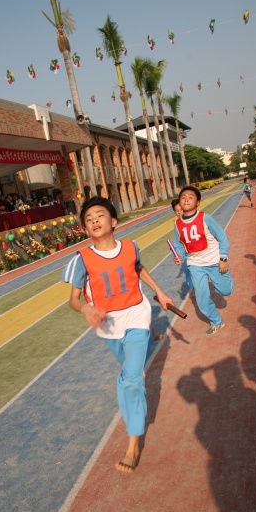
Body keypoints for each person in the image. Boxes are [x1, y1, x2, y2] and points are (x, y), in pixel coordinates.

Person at [62, 196, 174, 473]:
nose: (94, 221)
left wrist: (159, 292)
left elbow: (138, 268)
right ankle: (145, 343)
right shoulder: (81, 260)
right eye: (89, 220)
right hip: (108, 325)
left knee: (134, 377)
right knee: (127, 374)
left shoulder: (130, 247)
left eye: (99, 215)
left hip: (136, 313)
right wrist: (86, 308)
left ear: (113, 221)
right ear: (86, 229)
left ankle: (133, 444)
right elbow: (73, 300)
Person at [172, 186, 234, 334]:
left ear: (198, 202)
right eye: (183, 197)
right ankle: (216, 321)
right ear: (179, 203)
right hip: (195, 264)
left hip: (214, 260)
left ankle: (220, 282)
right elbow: (179, 246)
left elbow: (222, 237)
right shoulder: (177, 225)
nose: (186, 199)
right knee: (201, 298)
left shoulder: (205, 218)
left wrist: (223, 258)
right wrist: (178, 256)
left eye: (190, 197)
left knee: (226, 290)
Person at [171, 198, 193, 291]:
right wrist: (178, 256)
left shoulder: (193, 221)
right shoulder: (177, 225)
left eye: (181, 210)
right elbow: (177, 244)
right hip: (186, 257)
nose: (179, 212)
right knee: (190, 279)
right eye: (177, 211)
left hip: (197, 254)